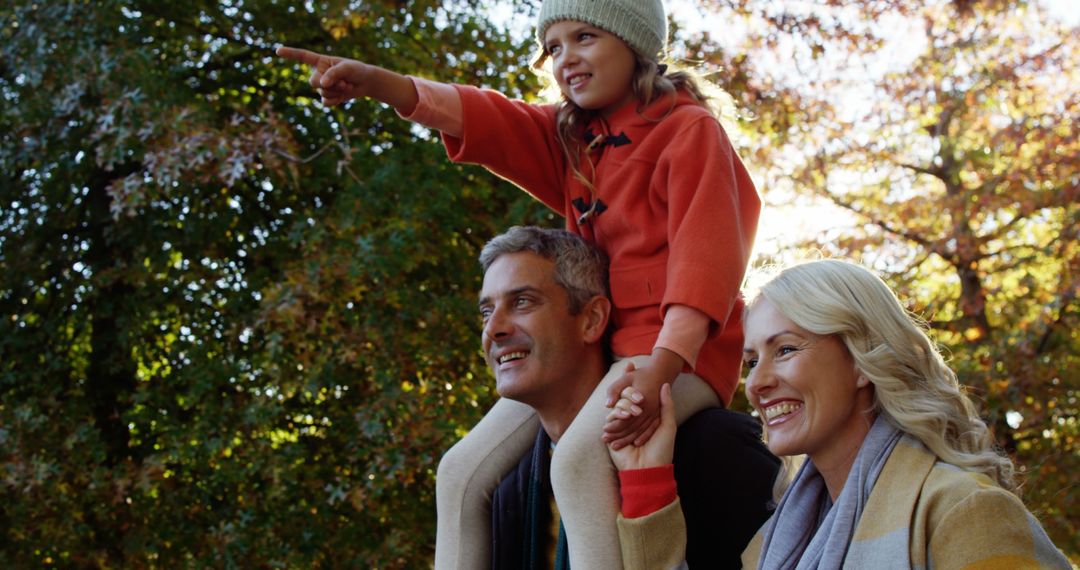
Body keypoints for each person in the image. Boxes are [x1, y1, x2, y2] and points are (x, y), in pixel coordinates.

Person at [277, 0, 761, 567]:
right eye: (553, 47)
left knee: (579, 458)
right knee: (460, 470)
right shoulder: (575, 139)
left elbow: (709, 257)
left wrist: (661, 366)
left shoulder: (687, 131)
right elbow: (487, 119)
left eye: (583, 37)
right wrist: (381, 84)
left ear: (633, 43)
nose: (565, 59)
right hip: (595, 355)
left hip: (676, 355)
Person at [608, 259, 1072, 569]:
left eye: (785, 349)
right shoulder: (776, 542)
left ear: (861, 361)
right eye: (751, 361)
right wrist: (646, 480)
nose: (756, 382)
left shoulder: (963, 511)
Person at [476, 226, 778, 569]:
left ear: (592, 319)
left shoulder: (716, 448)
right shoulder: (510, 487)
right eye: (486, 312)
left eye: (522, 302)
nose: (494, 328)